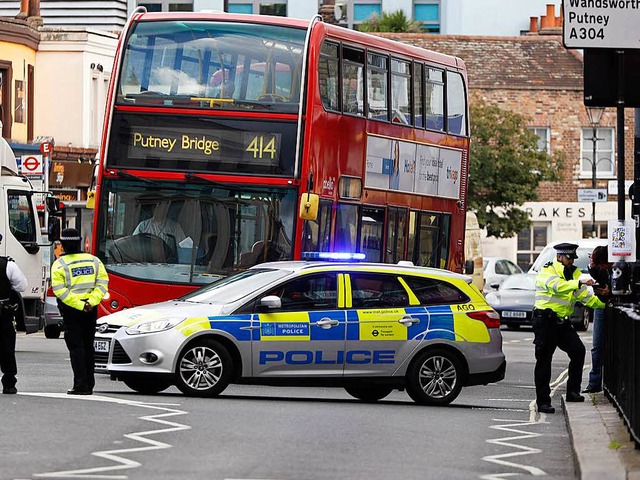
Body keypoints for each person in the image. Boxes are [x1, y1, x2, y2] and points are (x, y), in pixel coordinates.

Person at [532, 242, 605, 414]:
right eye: (568, 258)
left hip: (562, 323)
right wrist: (579, 282)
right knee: (544, 360)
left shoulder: (574, 273)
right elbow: (557, 287)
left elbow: (585, 298)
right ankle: (543, 402)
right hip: (545, 320)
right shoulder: (548, 269)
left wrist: (605, 304)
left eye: (573, 258)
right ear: (559, 256)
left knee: (578, 351)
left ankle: (573, 392)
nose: (571, 261)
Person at [51, 228, 109, 395]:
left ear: (63, 245)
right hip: (90, 311)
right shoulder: (94, 261)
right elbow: (102, 284)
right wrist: (90, 302)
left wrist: (79, 305)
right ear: (79, 242)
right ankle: (90, 384)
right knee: (88, 347)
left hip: (72, 312)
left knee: (76, 348)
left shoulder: (59, 265)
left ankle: (80, 385)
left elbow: (60, 291)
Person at [0, 234, 27, 394]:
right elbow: (22, 285)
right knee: (7, 347)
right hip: (3, 313)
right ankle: (9, 383)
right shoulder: (7, 265)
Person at [583, 245, 612, 394]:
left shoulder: (617, 264)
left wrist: (610, 291)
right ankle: (594, 383)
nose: (601, 268)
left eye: (602, 265)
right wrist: (591, 265)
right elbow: (597, 274)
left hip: (615, 305)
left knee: (615, 347)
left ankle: (611, 384)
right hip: (601, 305)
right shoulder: (599, 266)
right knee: (597, 346)